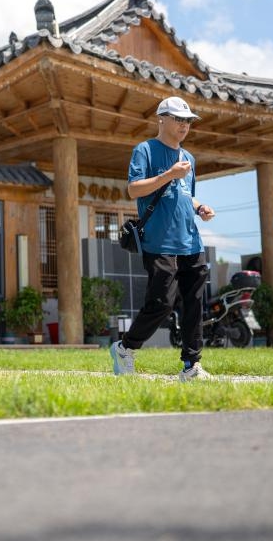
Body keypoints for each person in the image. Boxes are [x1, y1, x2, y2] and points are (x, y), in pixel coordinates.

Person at [110, 96, 216, 381]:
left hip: (190, 241)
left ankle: (191, 365)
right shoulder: (145, 150)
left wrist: (199, 208)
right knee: (161, 303)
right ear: (162, 119)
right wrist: (169, 173)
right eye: (179, 119)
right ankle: (125, 348)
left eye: (188, 121)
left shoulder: (189, 158)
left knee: (195, 304)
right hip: (159, 242)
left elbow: (184, 194)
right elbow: (134, 190)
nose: (184, 126)